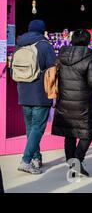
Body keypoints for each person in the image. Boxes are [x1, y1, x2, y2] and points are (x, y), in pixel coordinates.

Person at [51, 29, 92, 177]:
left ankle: (72, 162)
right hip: (83, 103)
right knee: (87, 133)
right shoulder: (89, 58)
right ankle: (77, 160)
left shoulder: (61, 55)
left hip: (64, 101)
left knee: (69, 133)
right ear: (88, 41)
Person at [15, 20, 56, 174]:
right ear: (42, 30)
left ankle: (36, 158)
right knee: (38, 128)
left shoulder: (20, 44)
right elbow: (53, 70)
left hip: (23, 93)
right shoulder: (45, 45)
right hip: (40, 94)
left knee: (30, 128)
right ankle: (26, 161)